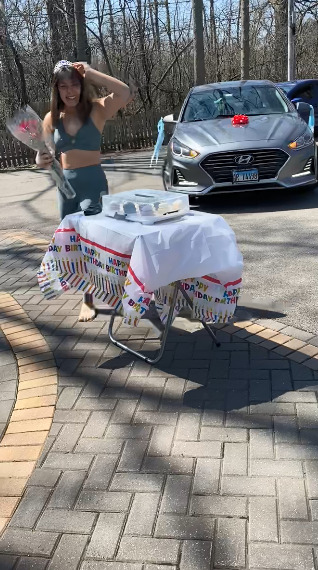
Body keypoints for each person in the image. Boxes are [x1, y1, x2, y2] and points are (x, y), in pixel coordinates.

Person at [36, 60, 135, 321]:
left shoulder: (97, 110)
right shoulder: (51, 118)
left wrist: (91, 73)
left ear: (82, 86)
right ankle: (86, 295)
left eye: (75, 85)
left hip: (93, 182)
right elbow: (42, 153)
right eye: (63, 86)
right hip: (65, 186)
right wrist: (40, 161)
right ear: (56, 90)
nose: (70, 91)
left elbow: (124, 92)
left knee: (99, 243)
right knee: (74, 244)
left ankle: (105, 295)